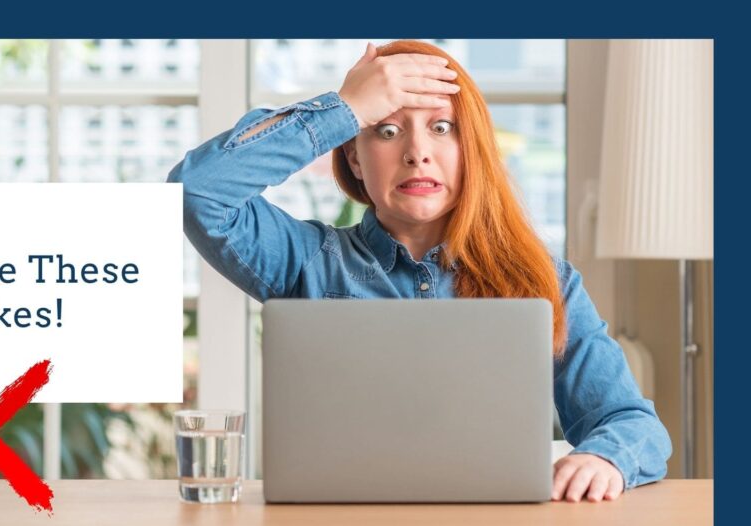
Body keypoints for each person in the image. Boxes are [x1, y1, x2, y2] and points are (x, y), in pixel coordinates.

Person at [168, 40, 671, 502]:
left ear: (470, 152)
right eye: (385, 130)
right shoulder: (307, 260)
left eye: (442, 128)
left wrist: (603, 458)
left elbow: (630, 422)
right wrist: (344, 109)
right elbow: (195, 191)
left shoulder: (548, 282)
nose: (416, 152)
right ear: (356, 160)